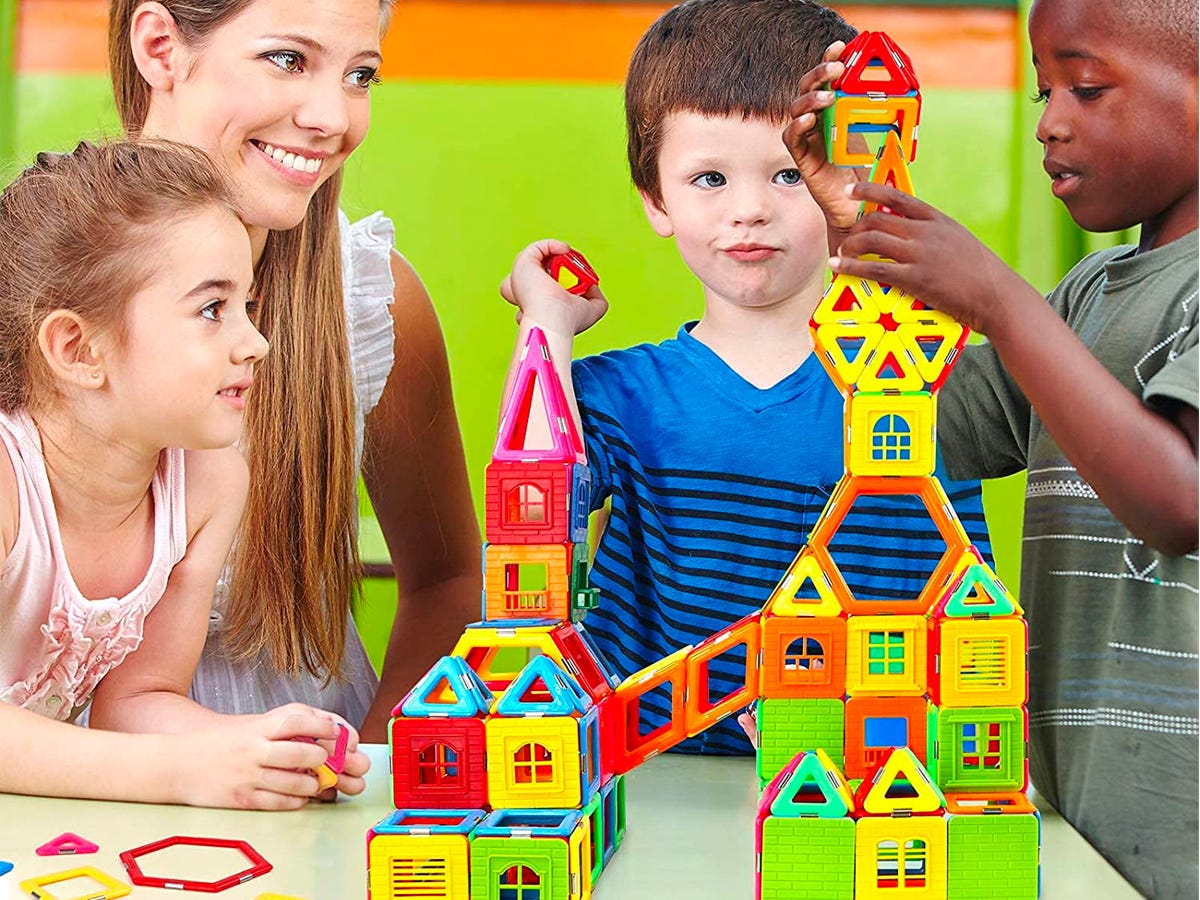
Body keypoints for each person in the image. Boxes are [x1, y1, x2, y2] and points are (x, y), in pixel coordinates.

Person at [499, 0, 993, 754]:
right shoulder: (617, 396)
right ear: (655, 200)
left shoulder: (917, 384)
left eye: (790, 174)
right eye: (708, 178)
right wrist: (546, 324)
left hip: (867, 791)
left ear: (843, 178)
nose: (750, 210)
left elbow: (966, 630)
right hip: (652, 785)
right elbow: (529, 507)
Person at [784, 0, 1198, 894]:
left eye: (1085, 88)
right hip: (1077, 826)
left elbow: (1179, 501)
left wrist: (1002, 305)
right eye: (1047, 90)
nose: (1049, 122)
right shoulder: (1086, 295)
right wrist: (855, 226)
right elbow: (918, 426)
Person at [107, 0, 482, 742]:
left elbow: (447, 583)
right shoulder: (27, 288)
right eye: (288, 60)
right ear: (159, 47)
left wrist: (369, 776)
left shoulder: (369, 301)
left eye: (360, 75)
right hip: (59, 805)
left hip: (312, 788)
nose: (332, 118)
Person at [0, 139, 368, 808]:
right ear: (77, 349)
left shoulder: (207, 487)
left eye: (247, 307)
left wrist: (259, 750)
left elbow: (136, 702)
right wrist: (180, 775)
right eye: (211, 309)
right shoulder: (7, 485)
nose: (254, 342)